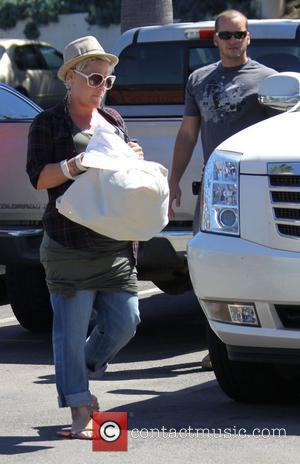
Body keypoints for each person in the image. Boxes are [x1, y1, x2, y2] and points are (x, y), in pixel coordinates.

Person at [26, 36, 143, 439]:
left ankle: (79, 368)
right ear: (71, 78)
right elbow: (41, 178)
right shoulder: (48, 123)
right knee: (69, 333)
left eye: (107, 81)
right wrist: (76, 164)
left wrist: (133, 160)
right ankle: (79, 407)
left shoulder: (112, 119)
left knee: (127, 321)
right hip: (68, 245)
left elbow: (121, 178)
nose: (100, 87)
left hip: (114, 245)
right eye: (94, 78)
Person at [168, 10, 277, 370]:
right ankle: (216, 345)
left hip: (254, 193)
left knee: (256, 267)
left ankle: (261, 339)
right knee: (211, 268)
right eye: (226, 35)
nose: (233, 41)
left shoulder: (269, 81)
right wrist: (173, 181)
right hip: (217, 191)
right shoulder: (198, 79)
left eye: (239, 34)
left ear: (249, 38)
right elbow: (187, 134)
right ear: (214, 39)